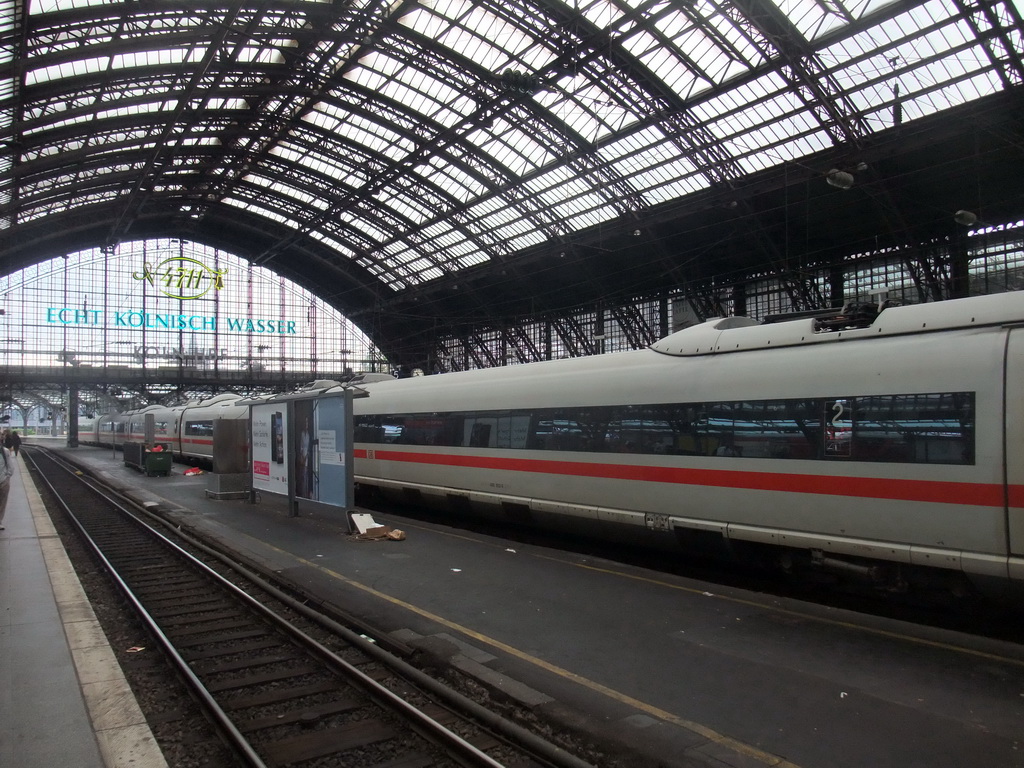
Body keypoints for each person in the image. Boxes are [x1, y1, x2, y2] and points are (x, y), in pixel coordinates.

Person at [0, 445, 11, 530]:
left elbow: (10, 466)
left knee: (2, 502)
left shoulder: (5, 451)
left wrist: (7, 477)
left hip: (3, 481)